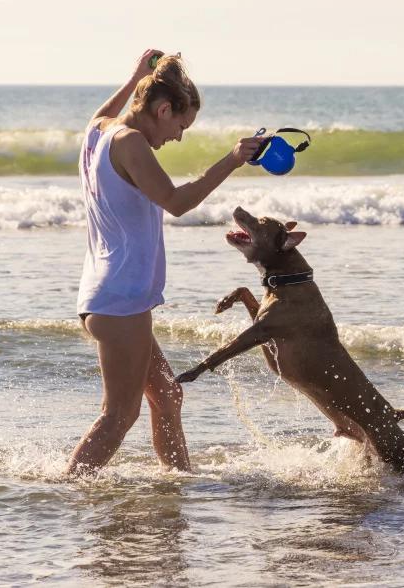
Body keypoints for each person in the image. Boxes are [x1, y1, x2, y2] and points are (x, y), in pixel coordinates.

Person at [67, 49, 261, 475]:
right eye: (180, 125)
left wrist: (136, 75)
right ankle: (68, 493)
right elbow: (175, 202)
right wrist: (232, 160)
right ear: (163, 108)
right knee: (119, 416)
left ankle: (178, 480)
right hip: (119, 299)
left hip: (109, 296)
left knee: (168, 395)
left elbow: (101, 113)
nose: (178, 136)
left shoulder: (99, 132)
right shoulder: (130, 141)